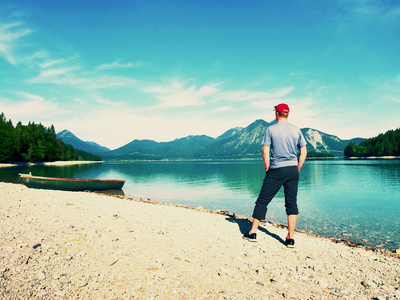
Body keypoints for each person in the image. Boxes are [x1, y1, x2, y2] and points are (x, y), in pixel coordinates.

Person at [243, 103, 307, 248]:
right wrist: (297, 168)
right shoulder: (296, 130)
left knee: (263, 201)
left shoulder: (270, 129)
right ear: (287, 114)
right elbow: (303, 152)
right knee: (291, 203)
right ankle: (290, 239)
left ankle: (252, 233)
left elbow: (265, 151)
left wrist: (268, 168)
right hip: (292, 169)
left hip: (276, 169)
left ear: (276, 114)